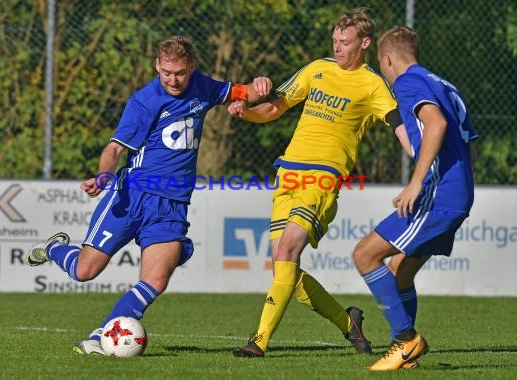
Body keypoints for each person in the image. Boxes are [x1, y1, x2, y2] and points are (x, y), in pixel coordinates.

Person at [26, 35, 272, 355]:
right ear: (157, 65)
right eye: (166, 72)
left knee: (156, 279)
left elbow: (243, 92)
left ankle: (103, 335)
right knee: (85, 271)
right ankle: (55, 248)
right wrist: (103, 175)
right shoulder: (144, 101)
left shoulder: (203, 86)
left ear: (191, 68)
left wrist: (262, 85)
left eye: (180, 73)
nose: (173, 80)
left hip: (171, 204)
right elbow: (115, 148)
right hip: (132, 196)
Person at [228, 8, 406, 358]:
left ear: (365, 43)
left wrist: (422, 157)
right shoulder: (317, 69)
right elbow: (275, 108)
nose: (338, 47)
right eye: (335, 40)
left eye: (345, 42)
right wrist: (245, 111)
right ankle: (348, 323)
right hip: (288, 174)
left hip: (323, 177)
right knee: (287, 273)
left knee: (287, 251)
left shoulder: (372, 84)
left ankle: (258, 341)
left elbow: (398, 123)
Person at [352, 26, 478, 371]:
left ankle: (405, 341)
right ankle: (406, 356)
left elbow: (434, 125)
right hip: (458, 192)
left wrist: (416, 182)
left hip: (438, 193)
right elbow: (466, 143)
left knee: (365, 255)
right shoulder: (444, 85)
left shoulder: (408, 83)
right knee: (399, 270)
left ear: (387, 60)